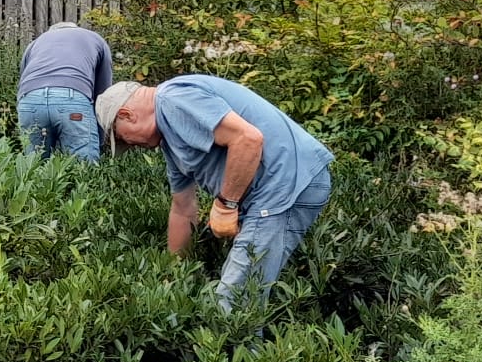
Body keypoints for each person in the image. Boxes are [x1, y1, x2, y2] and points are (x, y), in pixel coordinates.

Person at [94, 75, 333, 308]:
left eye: (122, 138)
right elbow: (182, 209)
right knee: (241, 293)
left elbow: (248, 139)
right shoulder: (170, 141)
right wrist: (174, 275)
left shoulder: (173, 100)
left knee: (233, 302)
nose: (130, 145)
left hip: (285, 184)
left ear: (127, 115)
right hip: (275, 190)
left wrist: (225, 205)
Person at [15, 21, 113, 162]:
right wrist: (100, 138)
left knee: (34, 165)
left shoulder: (35, 43)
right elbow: (103, 93)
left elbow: (23, 81)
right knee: (82, 166)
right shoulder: (95, 39)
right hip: (72, 99)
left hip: (30, 101)